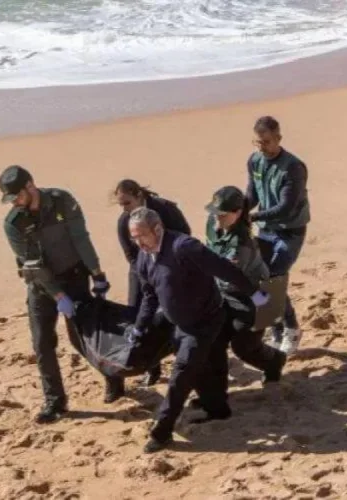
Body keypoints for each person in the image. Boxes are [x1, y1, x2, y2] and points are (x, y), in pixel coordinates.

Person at [127, 207, 269, 453]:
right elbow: (150, 295)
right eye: (134, 238)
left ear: (158, 229)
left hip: (205, 321)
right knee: (207, 366)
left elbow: (224, 268)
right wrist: (139, 328)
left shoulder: (184, 247)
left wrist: (253, 293)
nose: (139, 243)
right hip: (179, 323)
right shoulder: (143, 257)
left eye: (142, 236)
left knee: (181, 374)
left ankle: (161, 432)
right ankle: (218, 410)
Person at [0, 165, 123, 424]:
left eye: (17, 196)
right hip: (40, 285)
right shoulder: (13, 224)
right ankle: (55, 401)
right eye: (10, 200)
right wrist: (57, 296)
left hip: (74, 276)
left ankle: (113, 376)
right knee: (42, 342)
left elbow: (81, 238)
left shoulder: (62, 201)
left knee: (84, 337)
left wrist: (97, 273)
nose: (15, 203)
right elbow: (33, 265)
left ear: (30, 186)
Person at [204, 185, 286, 383]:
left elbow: (230, 276)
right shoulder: (214, 224)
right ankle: (215, 392)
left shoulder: (241, 243)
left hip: (257, 298)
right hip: (225, 294)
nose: (217, 218)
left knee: (244, 347)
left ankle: (275, 361)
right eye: (214, 213)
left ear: (238, 213)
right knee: (212, 342)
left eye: (222, 215)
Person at [114, 179, 191, 386]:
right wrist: (148, 275)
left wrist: (167, 268)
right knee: (137, 314)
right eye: (121, 205)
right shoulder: (124, 222)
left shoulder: (165, 209)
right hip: (142, 271)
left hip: (172, 267)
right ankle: (152, 367)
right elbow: (130, 255)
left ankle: (182, 359)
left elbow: (185, 234)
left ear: (139, 195)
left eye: (127, 203)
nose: (124, 209)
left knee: (176, 313)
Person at [245, 116, 311, 356]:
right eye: (258, 142)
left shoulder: (293, 167)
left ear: (278, 139)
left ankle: (291, 328)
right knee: (261, 278)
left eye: (267, 142)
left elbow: (286, 206)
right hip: (266, 229)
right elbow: (252, 195)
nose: (262, 147)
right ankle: (276, 329)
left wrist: (251, 218)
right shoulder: (254, 161)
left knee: (274, 280)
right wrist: (237, 210)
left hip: (289, 231)